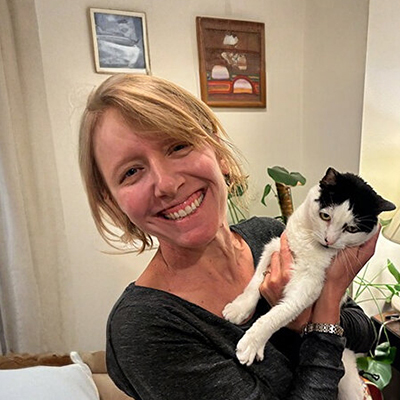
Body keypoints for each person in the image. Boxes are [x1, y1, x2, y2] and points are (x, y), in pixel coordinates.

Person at [79, 73, 377, 400]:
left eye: (178, 146)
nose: (166, 184)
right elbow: (336, 324)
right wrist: (327, 303)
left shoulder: (268, 233)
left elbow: (365, 333)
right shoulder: (145, 329)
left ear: (217, 150)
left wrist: (307, 317)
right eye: (132, 171)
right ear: (112, 201)